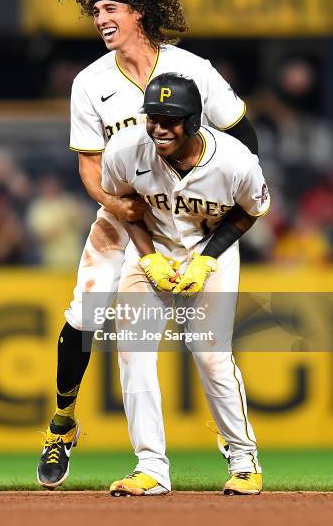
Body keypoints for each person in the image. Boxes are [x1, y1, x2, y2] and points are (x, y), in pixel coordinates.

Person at [37, 0, 259, 489]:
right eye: (94, 12)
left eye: (110, 8)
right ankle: (63, 425)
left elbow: (243, 138)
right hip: (126, 215)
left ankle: (237, 454)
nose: (101, 19)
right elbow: (92, 168)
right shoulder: (90, 82)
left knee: (208, 350)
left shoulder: (190, 69)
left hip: (191, 219)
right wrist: (115, 205)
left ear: (139, 12)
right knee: (86, 320)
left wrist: (217, 204)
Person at [101, 73, 270, 496]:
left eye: (170, 119)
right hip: (150, 250)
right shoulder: (125, 150)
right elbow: (125, 207)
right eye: (152, 117)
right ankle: (151, 468)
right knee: (134, 355)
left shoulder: (235, 160)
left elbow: (252, 210)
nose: (158, 127)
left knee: (211, 356)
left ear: (194, 120)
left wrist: (208, 258)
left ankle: (244, 458)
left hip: (210, 252)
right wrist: (149, 256)